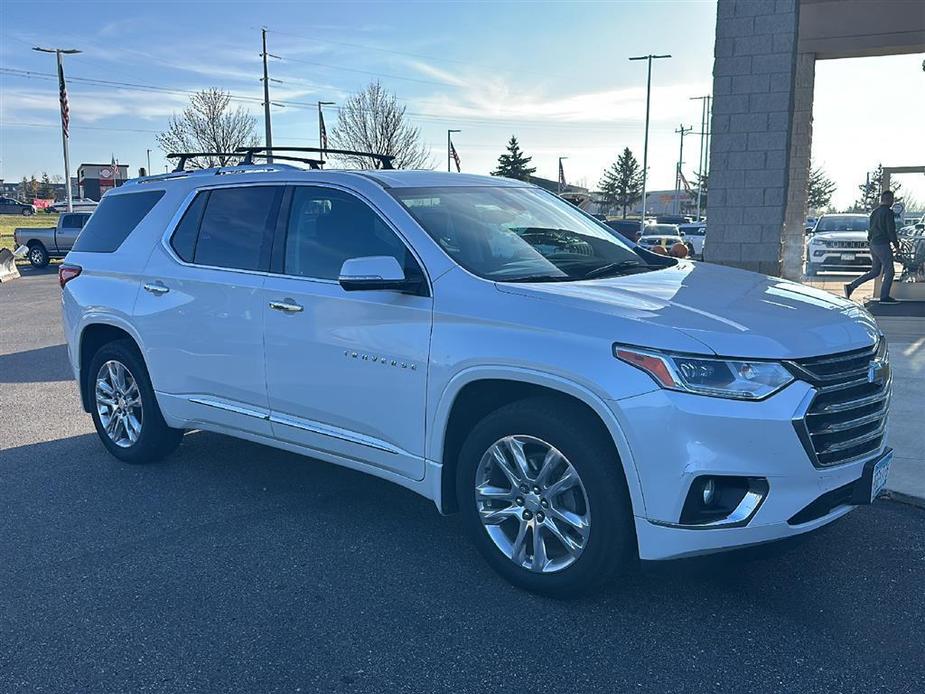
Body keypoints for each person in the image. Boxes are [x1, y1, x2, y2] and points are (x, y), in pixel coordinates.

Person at [845, 190, 900, 304]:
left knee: (875, 271)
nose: (892, 201)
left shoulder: (875, 212)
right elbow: (891, 230)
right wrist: (896, 245)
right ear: (889, 199)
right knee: (890, 271)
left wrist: (871, 241)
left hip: (874, 244)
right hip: (882, 244)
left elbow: (871, 229)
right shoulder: (888, 212)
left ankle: (851, 286)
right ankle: (884, 297)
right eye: (892, 199)